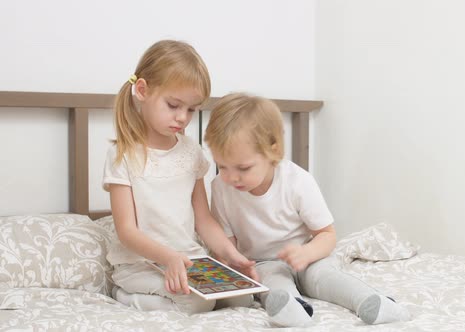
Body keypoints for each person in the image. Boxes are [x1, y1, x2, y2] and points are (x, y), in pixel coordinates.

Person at [205, 93, 412, 327]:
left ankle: (375, 302)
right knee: (272, 281)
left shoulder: (296, 182)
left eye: (243, 168)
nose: (232, 177)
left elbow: (327, 235)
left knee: (323, 278)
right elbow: (228, 246)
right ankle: (292, 311)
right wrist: (238, 267)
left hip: (308, 255)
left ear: (272, 151)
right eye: (222, 166)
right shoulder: (221, 188)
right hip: (262, 263)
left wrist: (307, 254)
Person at [102, 40, 256, 315]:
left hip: (189, 259)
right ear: (142, 90)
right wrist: (168, 257)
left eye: (191, 109)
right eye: (173, 105)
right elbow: (127, 231)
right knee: (195, 303)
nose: (182, 118)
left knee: (242, 300)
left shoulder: (191, 152)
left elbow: (204, 219)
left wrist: (232, 256)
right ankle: (123, 296)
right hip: (140, 263)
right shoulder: (123, 155)